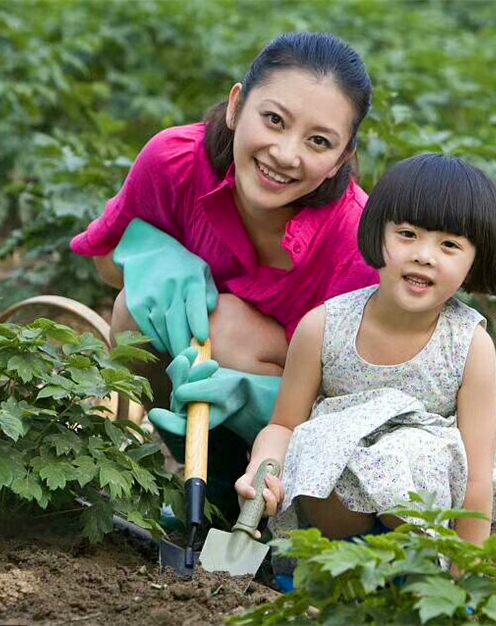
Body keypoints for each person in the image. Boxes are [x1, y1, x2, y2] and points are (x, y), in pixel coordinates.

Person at [69, 33, 379, 495]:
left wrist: (262, 401)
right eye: (274, 120)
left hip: (303, 438)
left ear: (342, 159)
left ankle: (261, 503)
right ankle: (189, 479)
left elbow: (362, 396)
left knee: (226, 328)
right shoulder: (174, 160)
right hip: (193, 409)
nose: (285, 154)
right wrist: (155, 260)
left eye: (318, 141)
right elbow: (108, 262)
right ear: (237, 106)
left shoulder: (356, 239)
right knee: (131, 309)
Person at [235, 154, 496, 558]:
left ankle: (411, 572)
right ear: (378, 234)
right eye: (407, 234)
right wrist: (262, 468)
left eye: (448, 245)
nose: (424, 255)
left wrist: (466, 579)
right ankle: (324, 566)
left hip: (420, 523)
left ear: (476, 259)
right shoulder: (324, 326)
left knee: (413, 451)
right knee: (318, 441)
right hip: (333, 520)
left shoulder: (469, 345)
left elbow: (476, 478)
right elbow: (285, 425)